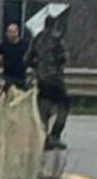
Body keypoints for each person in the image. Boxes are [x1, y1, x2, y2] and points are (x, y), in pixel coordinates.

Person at [26, 15, 69, 150]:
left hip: (41, 79)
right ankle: (55, 135)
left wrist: (37, 66)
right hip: (55, 80)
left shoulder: (37, 39)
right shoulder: (57, 39)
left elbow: (27, 59)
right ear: (54, 25)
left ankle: (43, 138)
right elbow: (63, 58)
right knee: (64, 106)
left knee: (43, 109)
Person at [0, 22, 30, 90]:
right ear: (7, 33)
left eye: (14, 32)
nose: (12, 34)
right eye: (10, 32)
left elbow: (29, 57)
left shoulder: (24, 44)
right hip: (8, 77)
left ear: (18, 32)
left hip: (21, 77)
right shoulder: (3, 46)